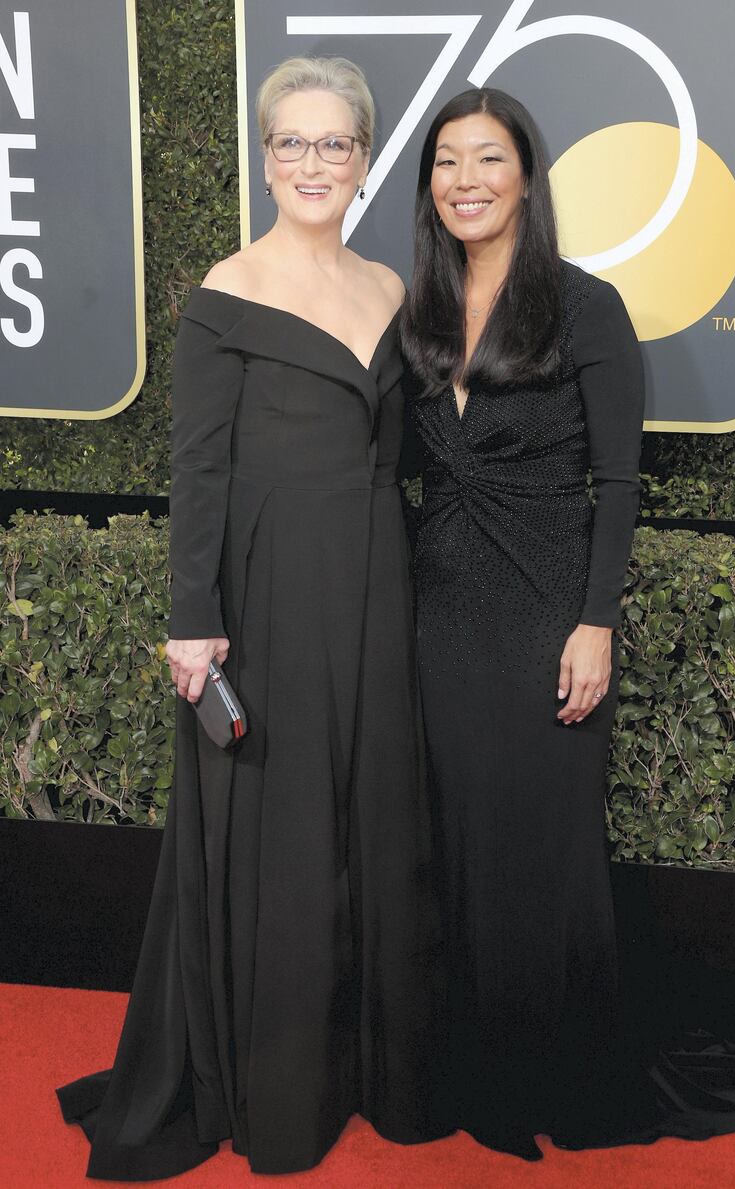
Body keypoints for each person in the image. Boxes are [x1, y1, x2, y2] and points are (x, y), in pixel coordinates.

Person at [57, 56, 444, 1179]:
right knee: (282, 838)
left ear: (364, 161)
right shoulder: (225, 294)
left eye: (336, 144)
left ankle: (378, 1066)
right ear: (264, 157)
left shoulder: (387, 288)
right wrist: (192, 622)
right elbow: (200, 470)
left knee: (373, 816)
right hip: (271, 592)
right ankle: (280, 1090)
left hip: (379, 582)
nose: (313, 162)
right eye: (293, 142)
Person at [401, 86, 735, 1161]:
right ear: (426, 182)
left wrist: (593, 624)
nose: (464, 181)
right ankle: (470, 1055)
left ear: (526, 176)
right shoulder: (415, 312)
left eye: (486, 159)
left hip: (540, 608)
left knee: (537, 845)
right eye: (445, 161)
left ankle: (548, 1061)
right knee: (451, 835)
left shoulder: (584, 306)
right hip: (435, 610)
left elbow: (616, 481)